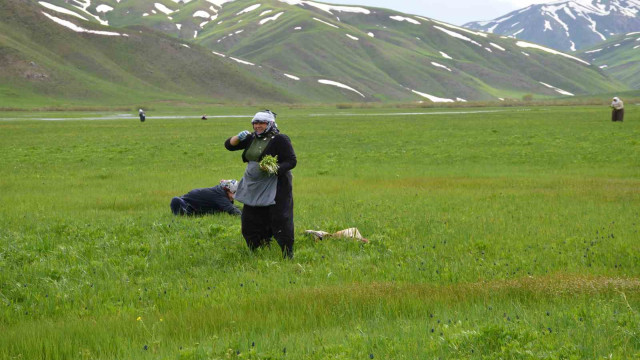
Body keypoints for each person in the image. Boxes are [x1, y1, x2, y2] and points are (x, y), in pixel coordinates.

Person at [225, 110, 297, 258]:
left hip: (276, 185)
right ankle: (258, 248)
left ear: (270, 124)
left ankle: (287, 252)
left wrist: (274, 168)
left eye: (262, 123)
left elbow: (291, 161)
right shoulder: (251, 138)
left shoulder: (279, 139)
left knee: (279, 218)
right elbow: (229, 146)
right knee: (251, 218)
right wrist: (238, 138)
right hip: (253, 184)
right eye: (255, 123)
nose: (258, 126)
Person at [170, 179, 241, 216]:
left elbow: (232, 207)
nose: (234, 196)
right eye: (234, 192)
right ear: (227, 190)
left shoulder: (221, 193)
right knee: (175, 200)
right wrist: (245, 217)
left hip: (195, 208)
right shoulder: (219, 195)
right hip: (186, 204)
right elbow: (231, 209)